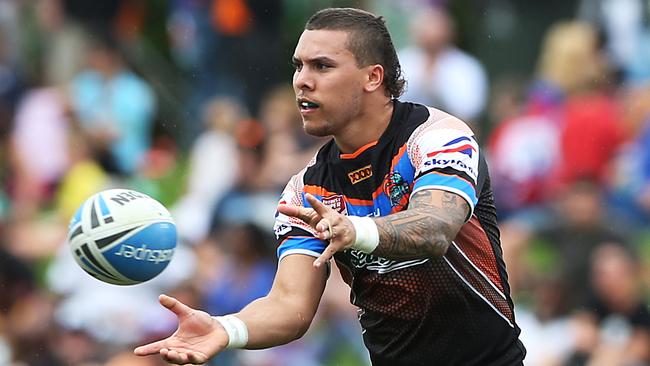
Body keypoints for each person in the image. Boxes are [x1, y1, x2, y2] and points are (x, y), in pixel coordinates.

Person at [134, 7, 526, 365]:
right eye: (298, 66)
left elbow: (435, 228)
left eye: (322, 66)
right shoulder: (306, 192)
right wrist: (227, 328)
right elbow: (290, 305)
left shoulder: (437, 138)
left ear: (373, 77)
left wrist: (355, 230)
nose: (302, 82)